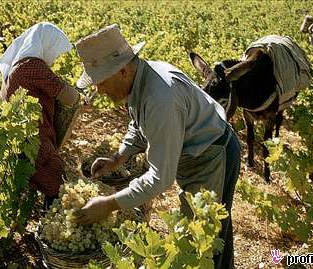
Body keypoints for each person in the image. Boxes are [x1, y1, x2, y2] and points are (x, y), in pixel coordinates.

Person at [74, 24, 240, 269]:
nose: (98, 90)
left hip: (212, 156)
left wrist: (109, 204)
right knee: (212, 234)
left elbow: (161, 178)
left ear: (121, 71)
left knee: (202, 241)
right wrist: (119, 157)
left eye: (100, 81)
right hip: (195, 153)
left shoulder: (161, 99)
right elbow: (138, 123)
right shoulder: (140, 79)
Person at [0, 22, 79, 208]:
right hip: (34, 136)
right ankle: (52, 226)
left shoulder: (20, 65)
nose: (56, 56)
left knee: (41, 175)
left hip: (23, 133)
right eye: (55, 50)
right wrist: (78, 96)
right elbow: (68, 97)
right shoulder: (32, 66)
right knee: (54, 176)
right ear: (46, 44)